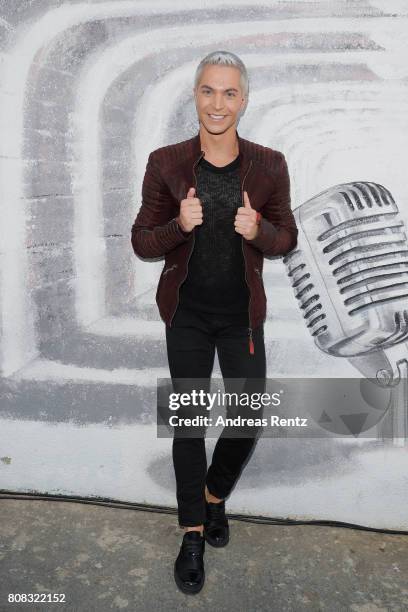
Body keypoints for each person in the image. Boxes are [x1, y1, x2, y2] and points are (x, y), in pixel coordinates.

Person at [131, 50, 298, 595]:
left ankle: (212, 496)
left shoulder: (270, 164)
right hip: (186, 316)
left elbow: (287, 237)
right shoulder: (167, 162)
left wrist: (260, 233)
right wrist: (179, 224)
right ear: (195, 95)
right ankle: (193, 534)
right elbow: (141, 241)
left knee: (247, 420)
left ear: (243, 100)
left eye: (229, 93)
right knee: (188, 426)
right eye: (208, 91)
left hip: (242, 320)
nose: (218, 103)